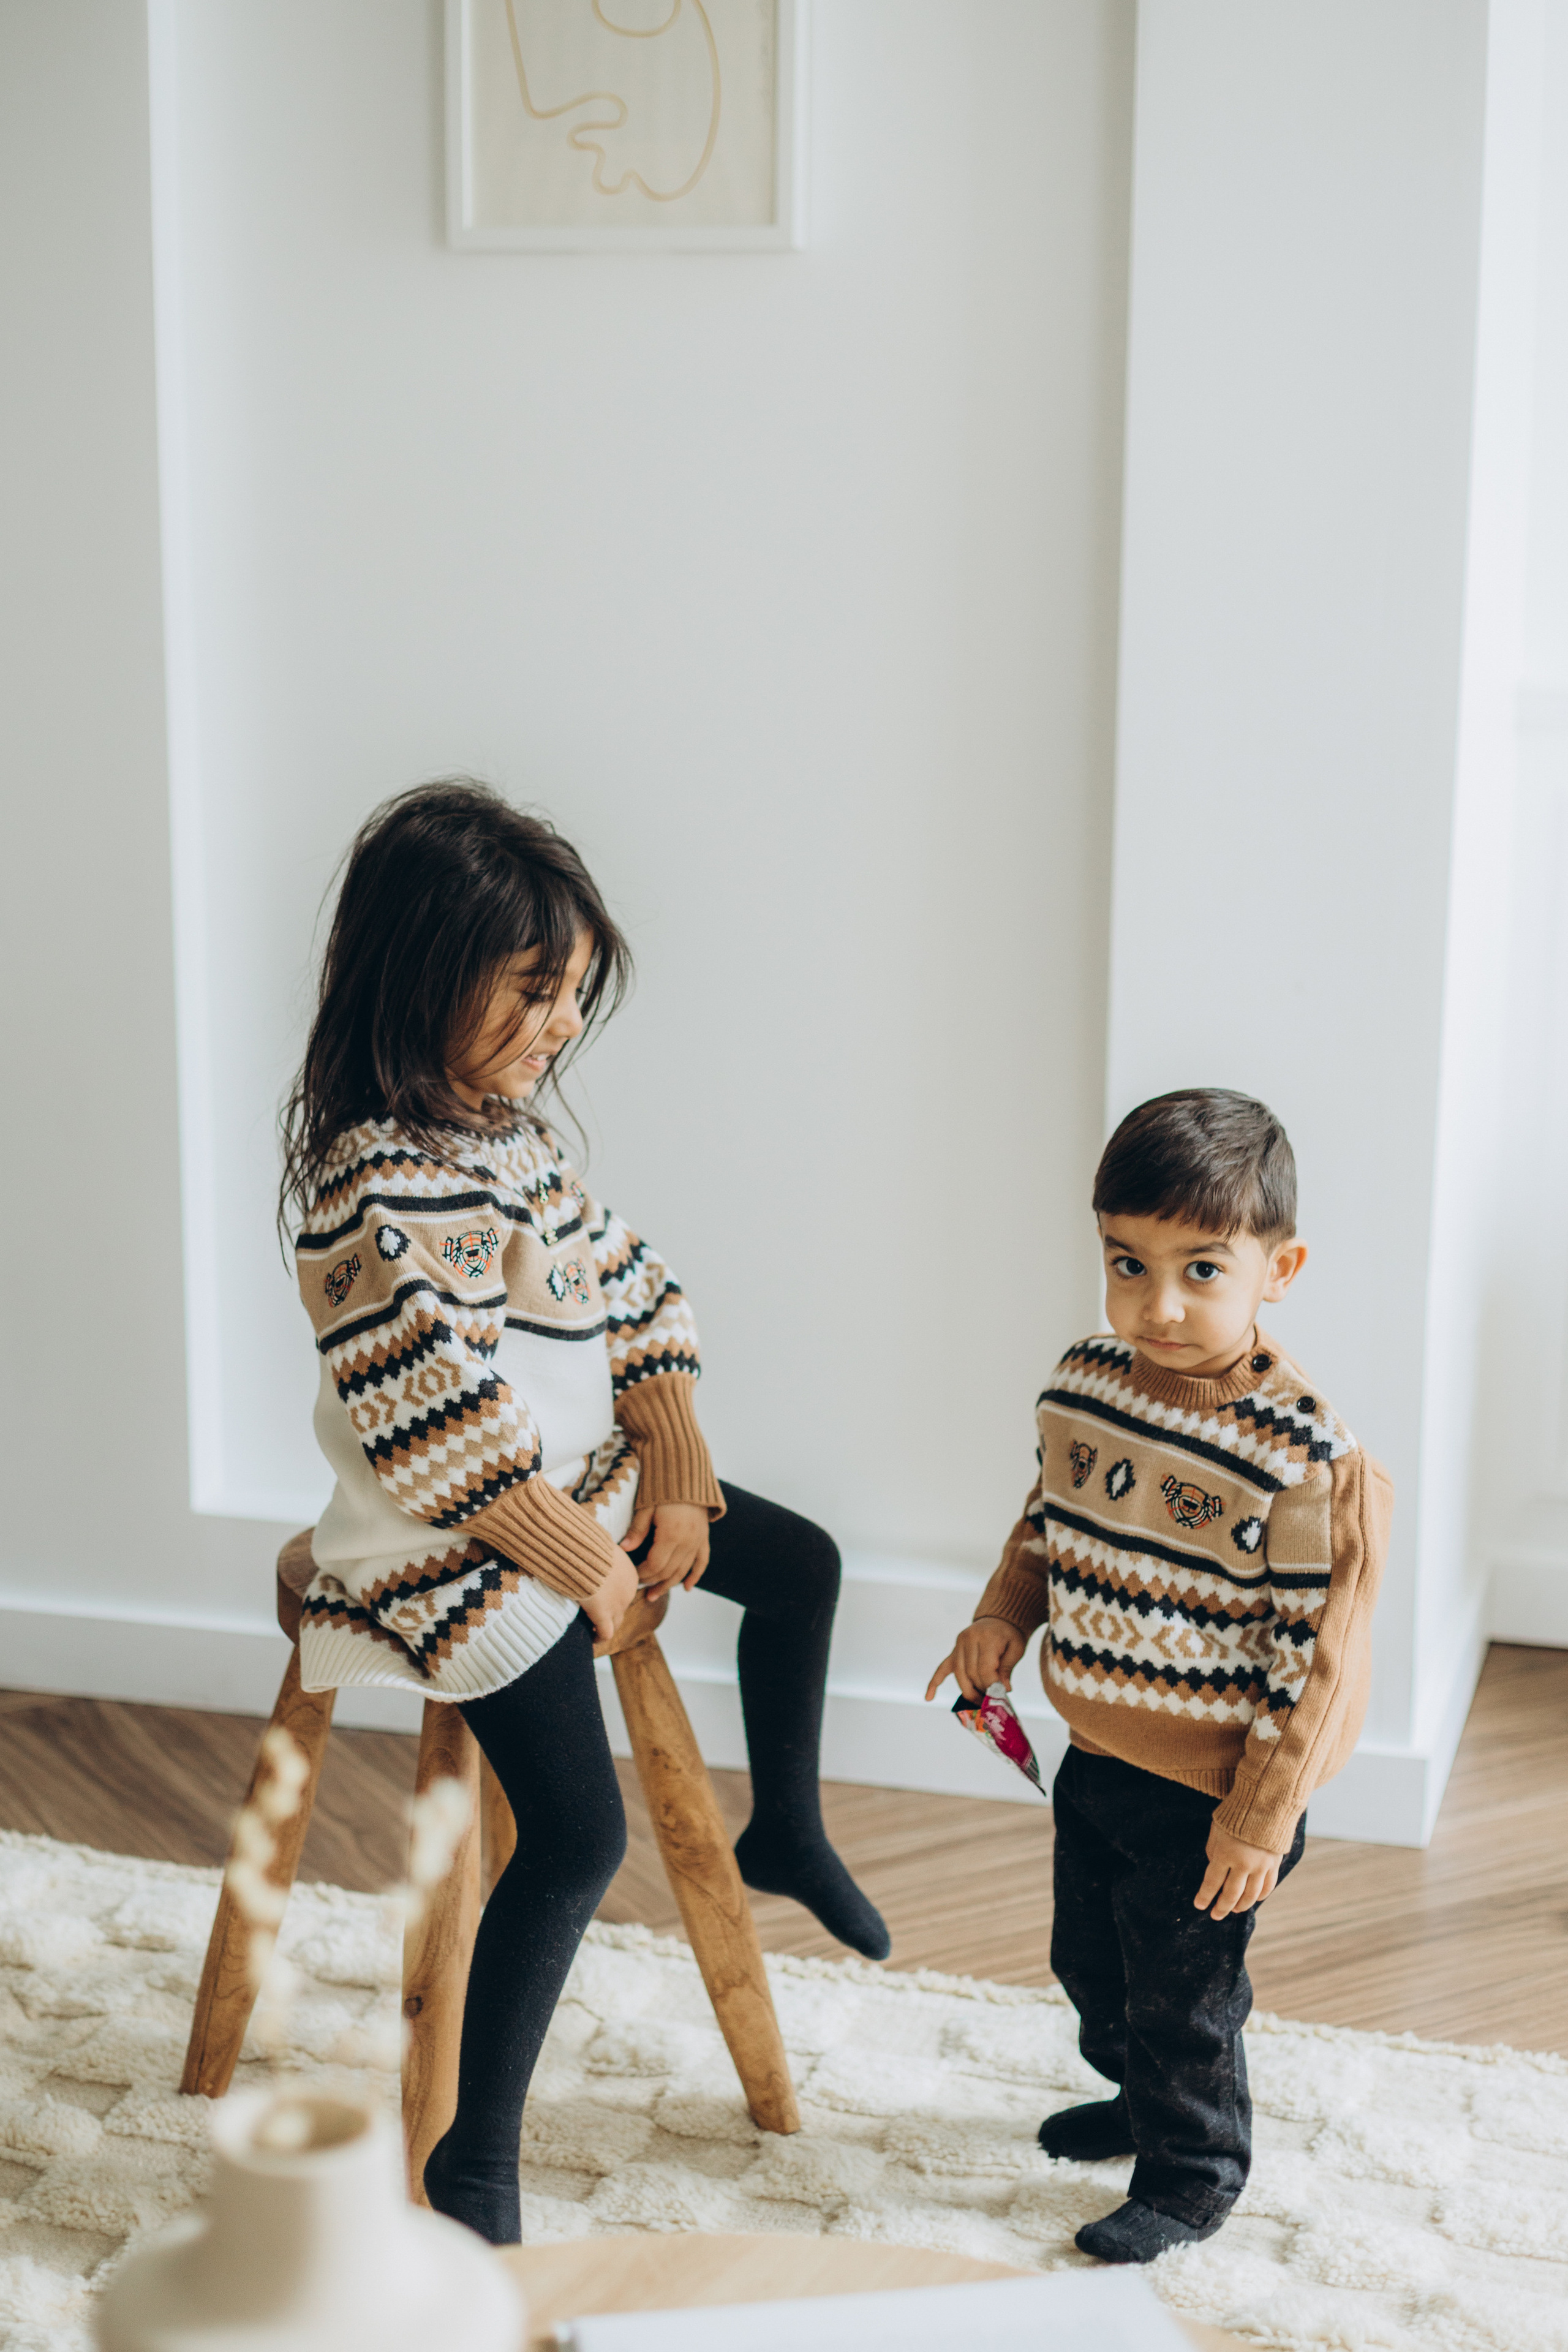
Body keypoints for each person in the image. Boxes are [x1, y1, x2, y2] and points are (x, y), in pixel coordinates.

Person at [281, 778, 888, 2245]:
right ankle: (473, 2162)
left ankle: (785, 1830)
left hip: (579, 1489)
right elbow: (439, 1438)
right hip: (456, 1544)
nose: (561, 1027)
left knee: (797, 1562)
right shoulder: (370, 1187)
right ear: (425, 975)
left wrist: (673, 1469)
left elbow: (637, 1297)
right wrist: (595, 1574)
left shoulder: (517, 1141)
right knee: (572, 1834)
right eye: (534, 991)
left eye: (573, 997)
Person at [925, 1089, 1391, 2265]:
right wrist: (1001, 1620)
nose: (1159, 1304)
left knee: (1184, 1999)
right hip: (1098, 1752)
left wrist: (1257, 1820)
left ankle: (1191, 2173)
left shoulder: (1302, 1462)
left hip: (1214, 1794)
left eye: (1201, 1270)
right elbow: (1049, 1523)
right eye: (1127, 1264)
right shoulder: (1086, 1384)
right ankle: (1136, 2101)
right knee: (1091, 1961)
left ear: (1277, 1270)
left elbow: (1317, 1667)